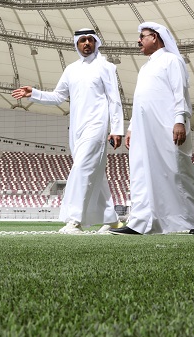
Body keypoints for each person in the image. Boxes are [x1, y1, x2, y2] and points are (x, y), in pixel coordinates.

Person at [12, 27, 124, 234]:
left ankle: (75, 220)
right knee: (93, 173)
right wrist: (33, 93)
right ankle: (113, 221)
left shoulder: (106, 67)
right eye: (82, 40)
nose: (87, 43)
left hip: (97, 126)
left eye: (90, 39)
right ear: (77, 44)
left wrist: (117, 129)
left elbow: (114, 99)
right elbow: (58, 97)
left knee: (82, 169)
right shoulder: (71, 70)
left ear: (96, 42)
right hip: (76, 130)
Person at [110, 22, 194, 235]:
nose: (139, 41)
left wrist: (179, 120)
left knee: (177, 171)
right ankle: (140, 222)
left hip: (166, 126)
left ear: (154, 37)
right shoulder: (146, 67)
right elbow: (141, 101)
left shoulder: (171, 60)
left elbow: (180, 92)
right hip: (144, 130)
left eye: (142, 37)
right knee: (141, 173)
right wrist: (132, 128)